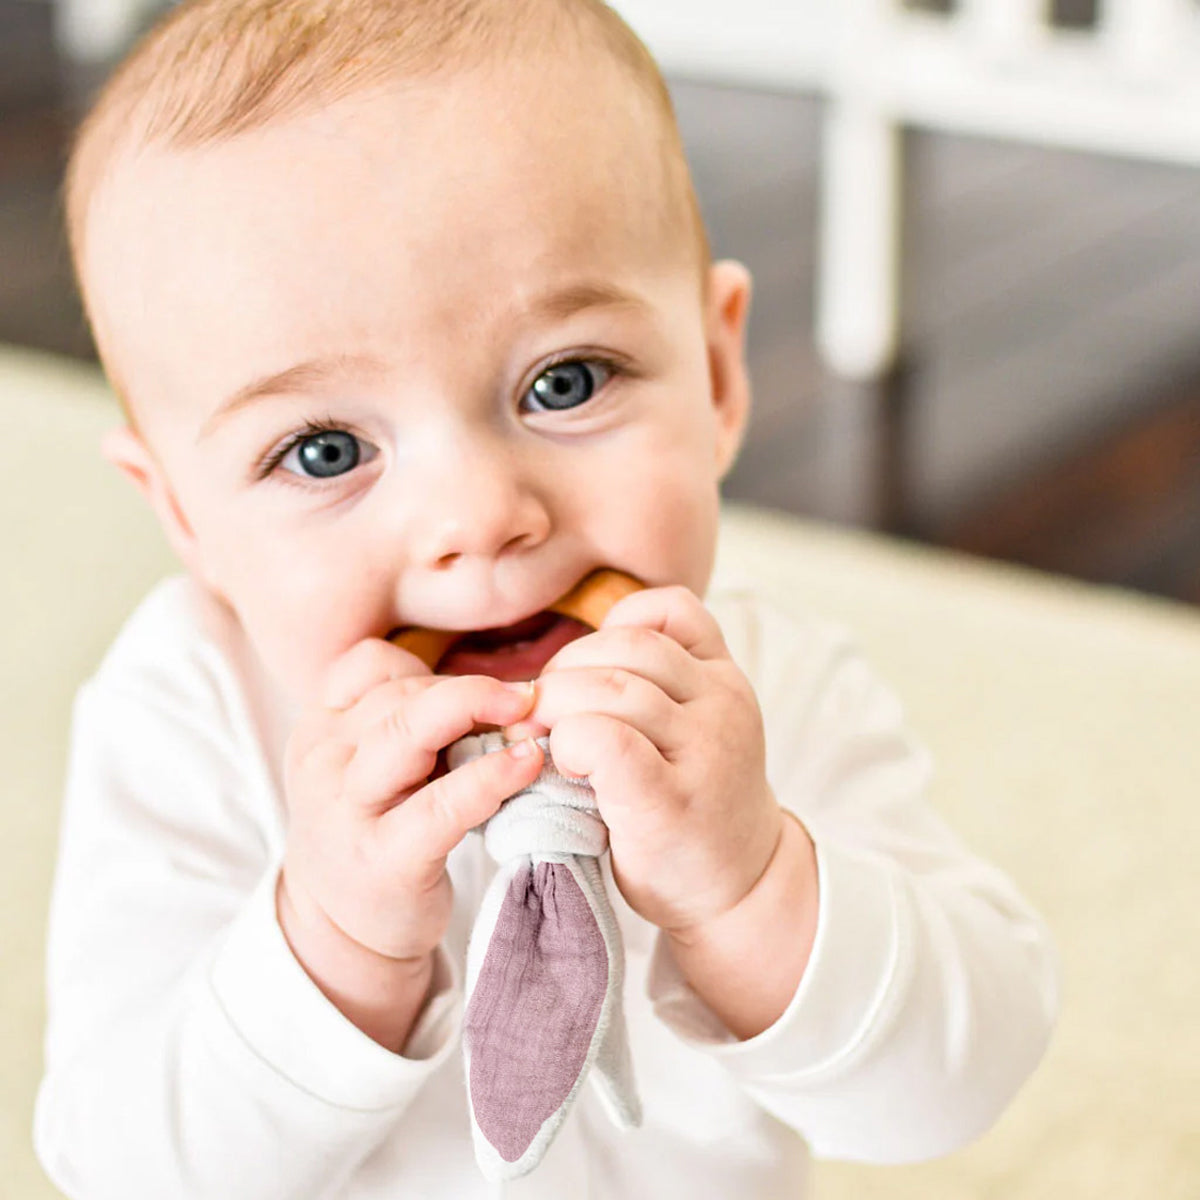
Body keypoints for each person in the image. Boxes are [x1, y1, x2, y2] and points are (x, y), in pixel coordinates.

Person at [34, 1, 1058, 1196]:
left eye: (563, 382)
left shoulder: (761, 689)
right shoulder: (186, 713)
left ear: (720, 374)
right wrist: (334, 943)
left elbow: (959, 1084)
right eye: (322, 451)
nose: (479, 517)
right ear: (184, 515)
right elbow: (121, 1164)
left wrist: (750, 888)